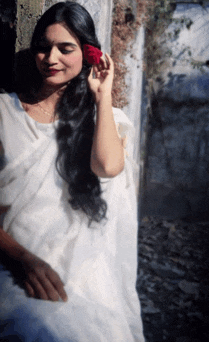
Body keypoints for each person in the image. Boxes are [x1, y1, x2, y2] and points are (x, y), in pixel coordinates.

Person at [0, 1, 144, 341]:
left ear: (89, 54)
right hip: (14, 263)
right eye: (42, 48)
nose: (50, 59)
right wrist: (23, 260)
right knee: (37, 330)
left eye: (65, 48)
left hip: (82, 269)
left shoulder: (107, 121)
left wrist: (103, 95)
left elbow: (107, 166)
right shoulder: (5, 114)